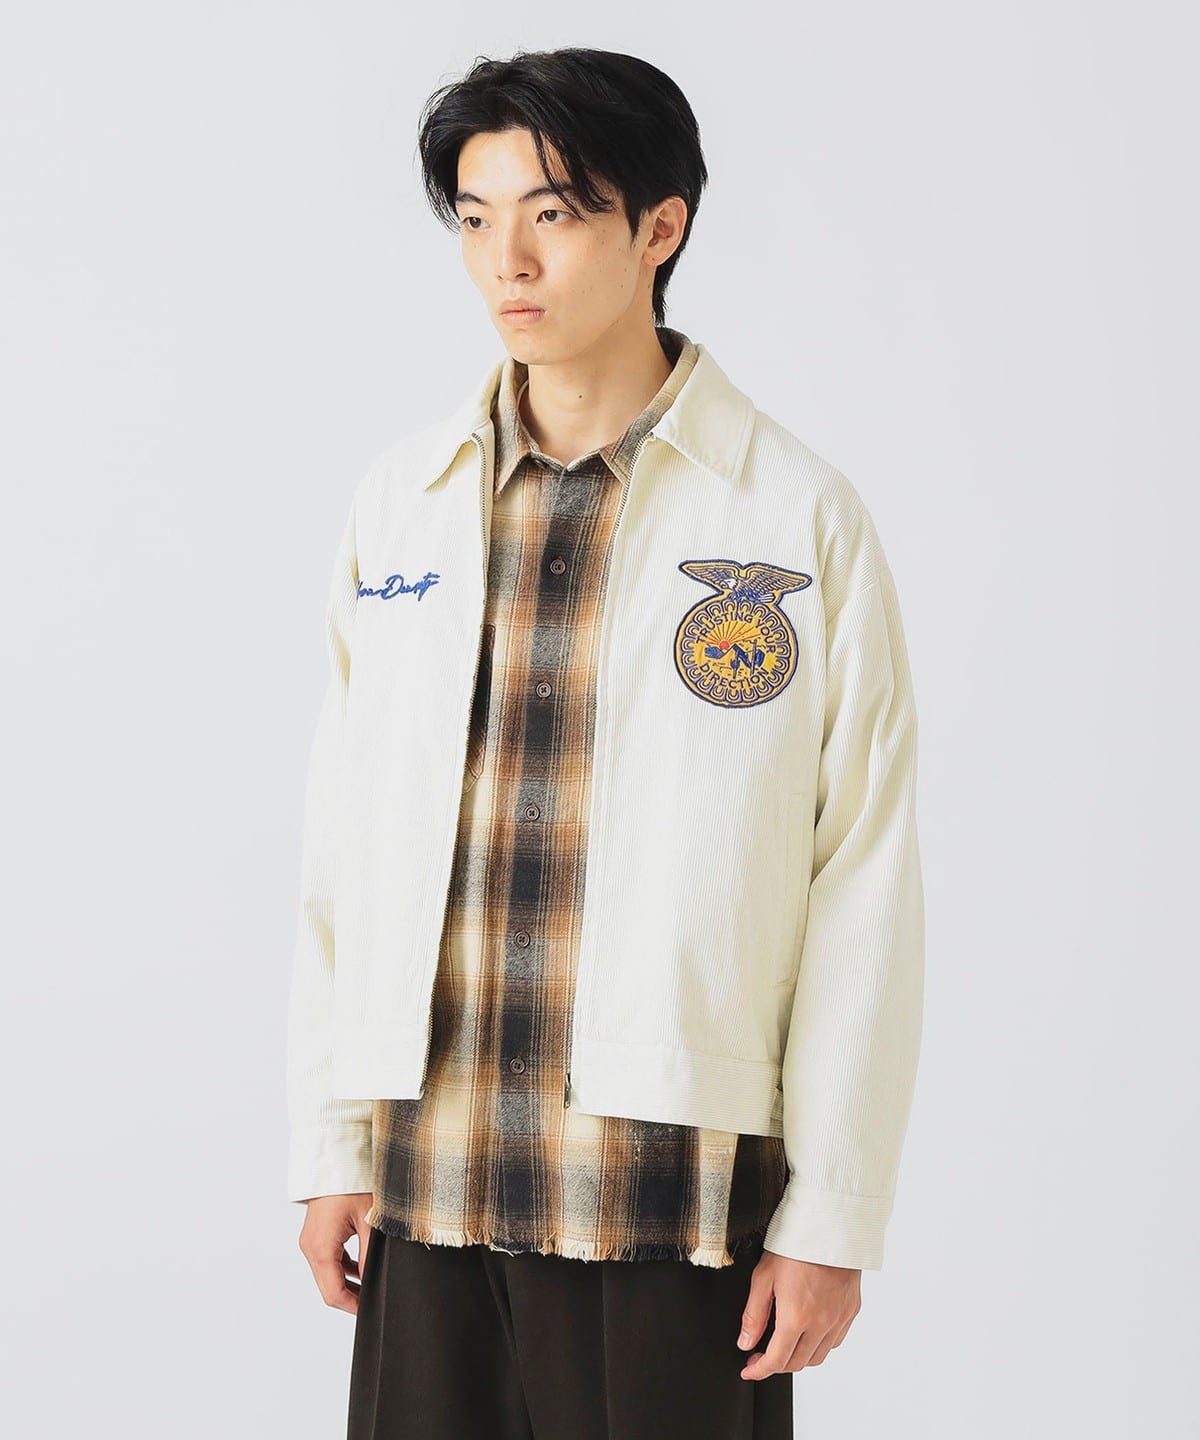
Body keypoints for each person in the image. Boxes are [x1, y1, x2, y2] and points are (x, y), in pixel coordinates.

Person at [285, 45, 925, 1440]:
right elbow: (345, 847)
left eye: (555, 213)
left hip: (669, 1201)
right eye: (475, 217)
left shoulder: (792, 518)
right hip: (431, 1183)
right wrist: (333, 1139)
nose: (507, 260)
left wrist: (834, 1213)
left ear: (659, 227)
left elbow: (862, 883)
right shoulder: (402, 506)